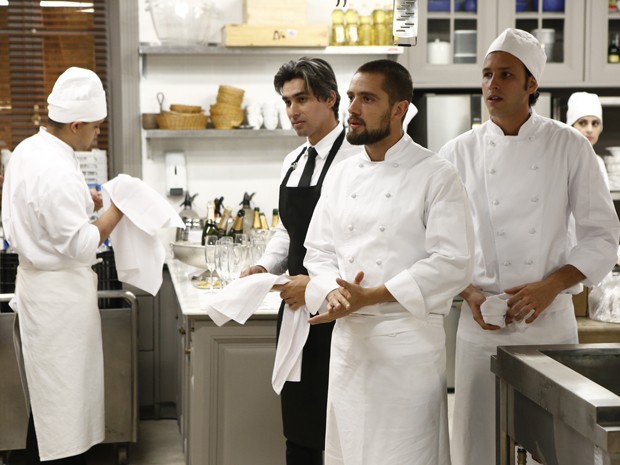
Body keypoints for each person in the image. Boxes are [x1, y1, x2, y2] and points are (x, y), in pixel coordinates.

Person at [439, 29, 620, 465]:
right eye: (486, 74)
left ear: (531, 84)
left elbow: (602, 236)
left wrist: (549, 287)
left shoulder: (570, 147)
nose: (492, 84)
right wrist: (469, 293)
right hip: (482, 323)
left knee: (556, 446)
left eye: (505, 74)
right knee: (477, 443)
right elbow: (436, 242)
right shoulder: (456, 153)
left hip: (550, 324)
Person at [302, 59, 475, 465]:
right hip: (349, 347)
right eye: (350, 98)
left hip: (406, 348)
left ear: (399, 109)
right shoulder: (342, 175)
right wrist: (333, 291)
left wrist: (373, 295)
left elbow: (453, 262)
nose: (352, 109)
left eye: (367, 99)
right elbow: (319, 250)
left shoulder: (436, 174)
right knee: (349, 454)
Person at [1, 67, 124, 464]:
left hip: (41, 291)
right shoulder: (55, 169)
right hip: (59, 304)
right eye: (95, 127)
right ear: (75, 124)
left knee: (50, 404)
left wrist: (82, 201)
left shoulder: (29, 150)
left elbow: (42, 212)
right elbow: (81, 244)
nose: (97, 135)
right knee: (65, 410)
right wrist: (117, 210)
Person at [241, 57, 358, 465]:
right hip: (295, 307)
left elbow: (360, 243)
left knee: (337, 421)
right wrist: (264, 268)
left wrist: (315, 284)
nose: (293, 111)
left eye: (302, 99)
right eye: (287, 101)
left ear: (331, 99)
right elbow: (289, 230)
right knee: (300, 420)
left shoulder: (355, 162)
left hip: (340, 309)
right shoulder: (292, 161)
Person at [566, 91, 609, 186]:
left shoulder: (598, 162)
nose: (590, 130)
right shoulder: (562, 161)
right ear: (571, 127)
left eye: (595, 123)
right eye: (583, 123)